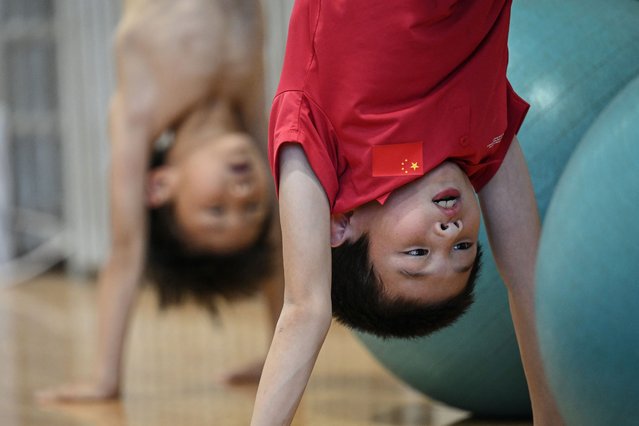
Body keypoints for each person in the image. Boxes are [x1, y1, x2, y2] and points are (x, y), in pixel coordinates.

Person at [251, 0, 562, 424]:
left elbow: (307, 309)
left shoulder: (319, 142)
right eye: (464, 247)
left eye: (418, 254)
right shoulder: (483, 147)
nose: (449, 232)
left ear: (340, 225)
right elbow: (530, 283)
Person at [36, 0, 283, 402]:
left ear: (160, 186)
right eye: (252, 207)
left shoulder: (140, 112)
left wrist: (106, 378)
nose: (242, 194)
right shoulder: (254, 124)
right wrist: (281, 353)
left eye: (215, 210)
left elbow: (126, 249)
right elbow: (278, 240)